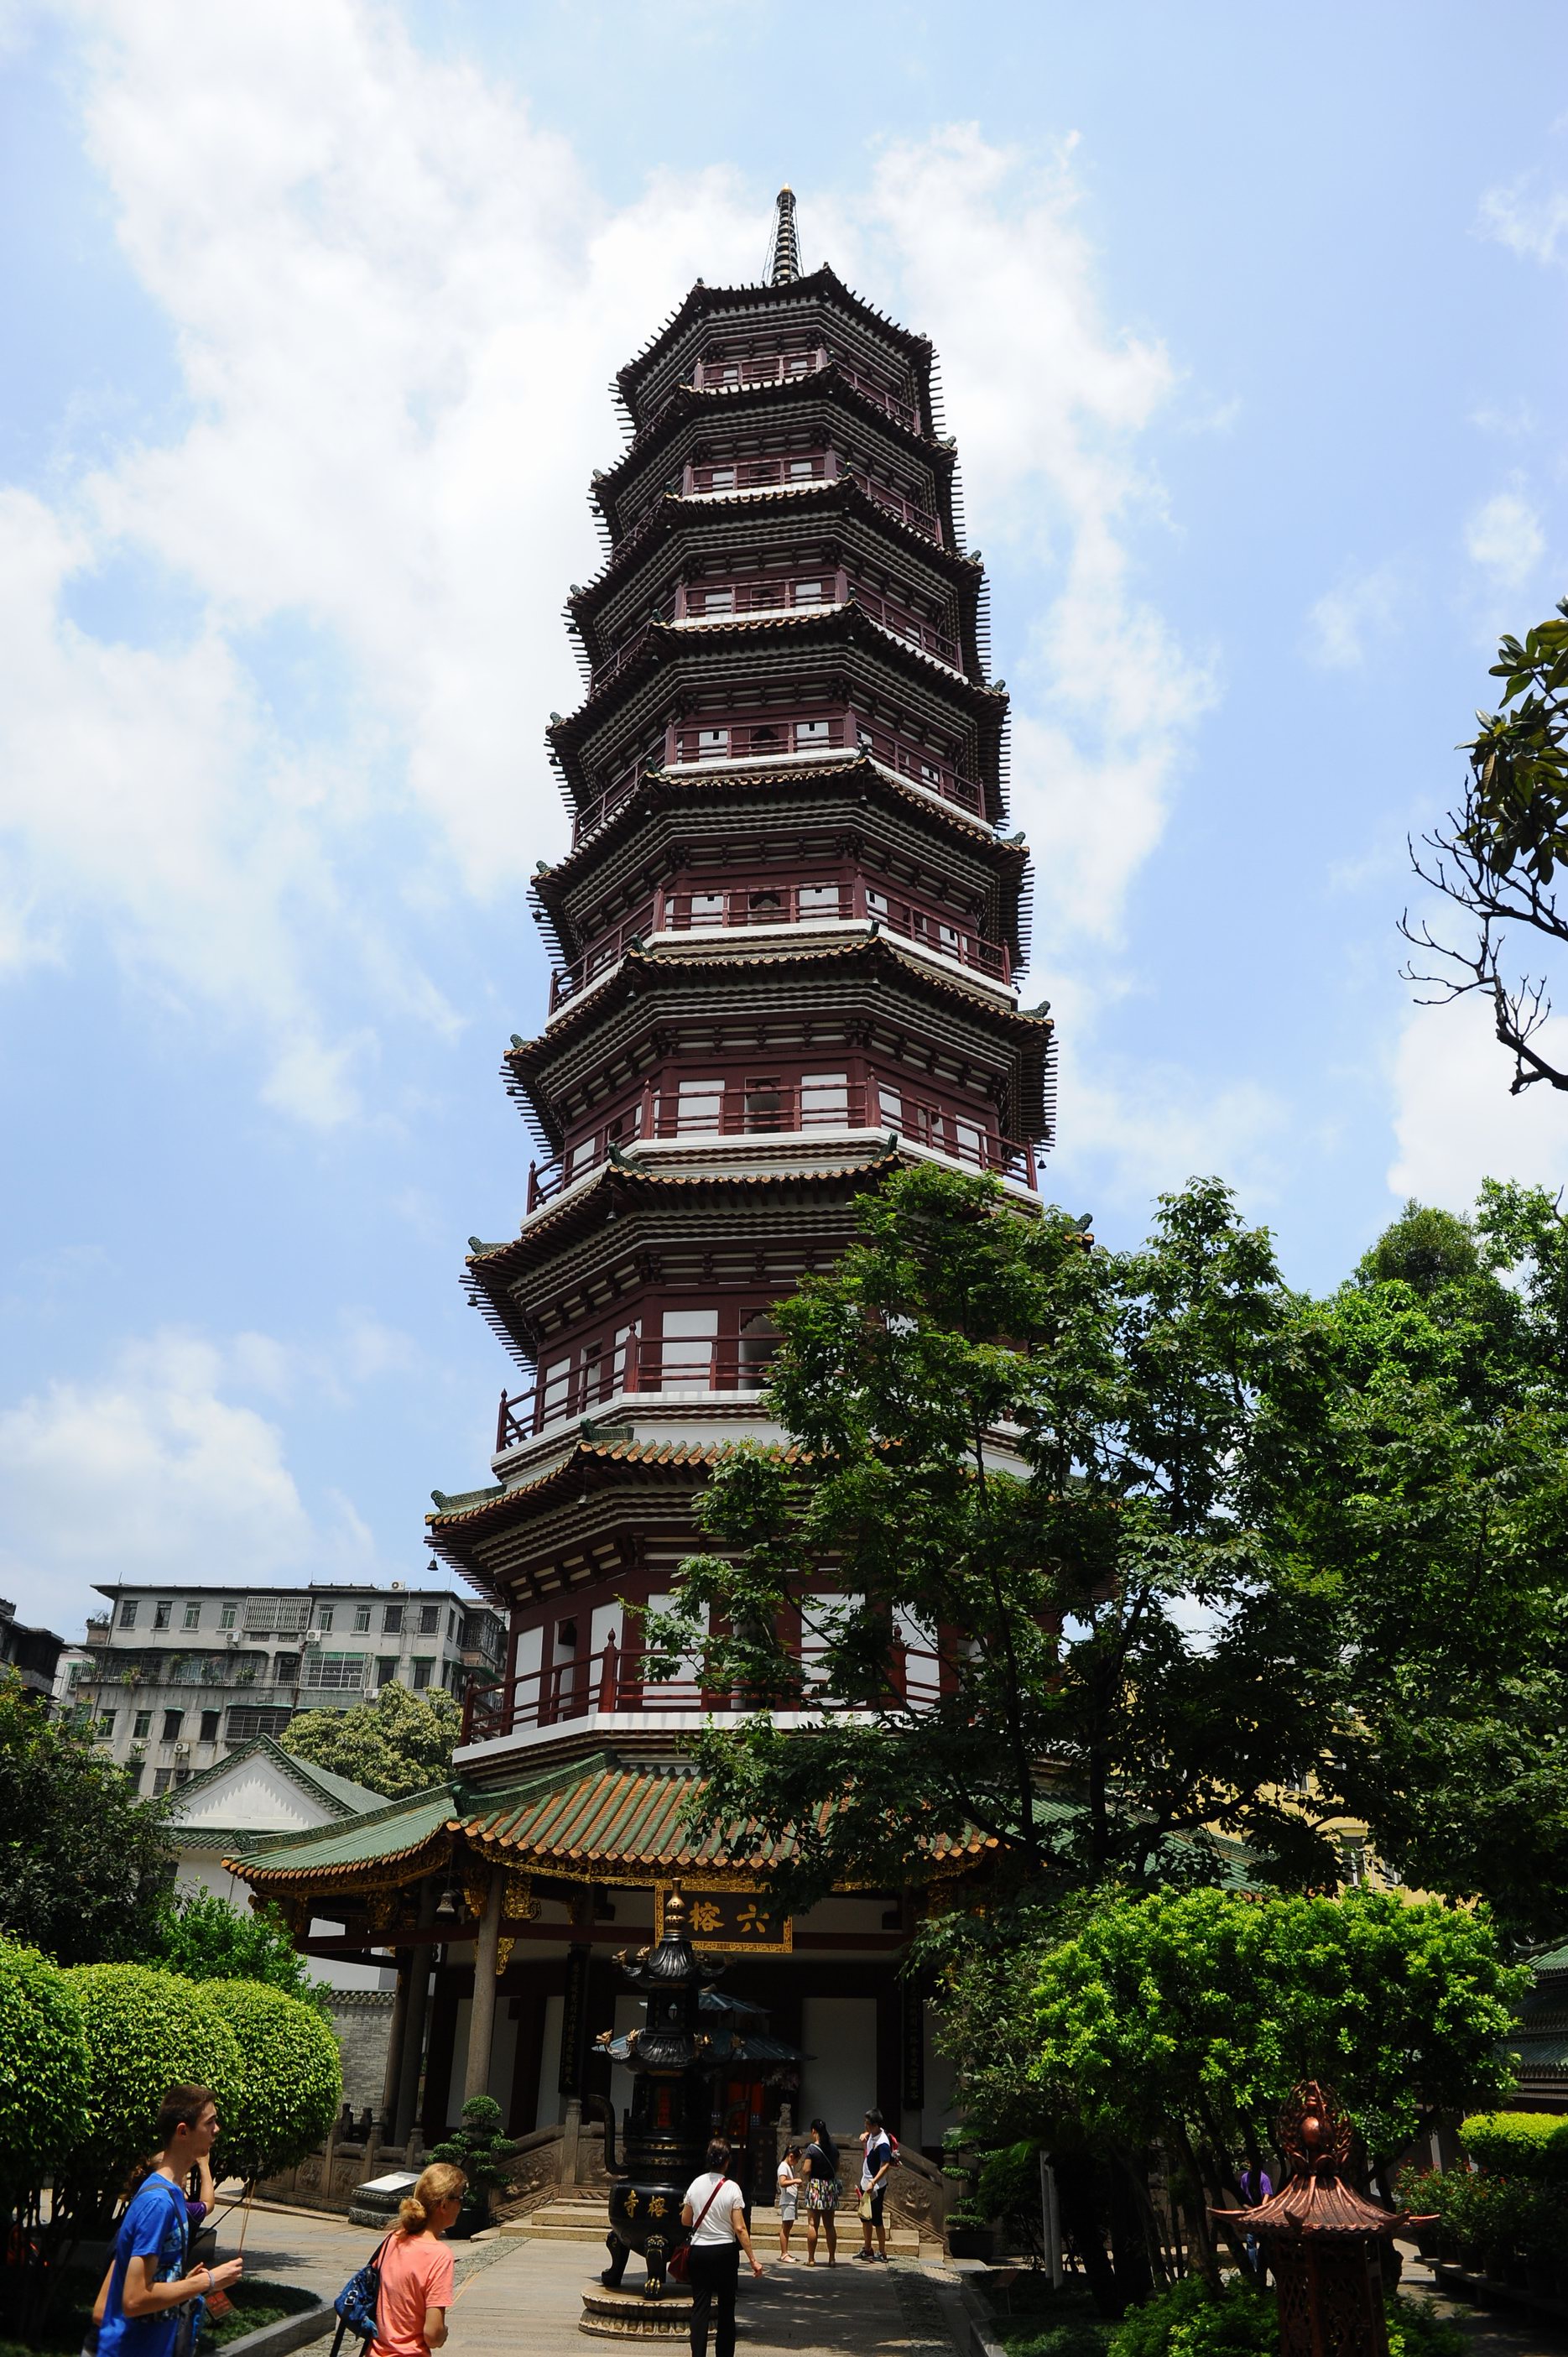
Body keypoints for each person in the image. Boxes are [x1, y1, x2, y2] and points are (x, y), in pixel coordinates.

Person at [96, 2086, 243, 2357]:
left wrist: (180, 2281)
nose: (217, 2129)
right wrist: (208, 2281)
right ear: (183, 2131)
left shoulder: (173, 2194)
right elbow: (134, 2298)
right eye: (209, 2122)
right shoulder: (158, 2203)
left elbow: (150, 2280)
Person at [369, 2161, 467, 2357]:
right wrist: (442, 2334)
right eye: (460, 2198)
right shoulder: (439, 2255)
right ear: (444, 2205)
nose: (462, 2206)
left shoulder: (393, 2239)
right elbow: (432, 2334)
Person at [681, 2138, 763, 2357]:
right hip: (724, 2252)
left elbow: (686, 2221)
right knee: (727, 2307)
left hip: (699, 2251)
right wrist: (753, 2259)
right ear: (727, 2161)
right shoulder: (732, 2188)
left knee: (700, 2307)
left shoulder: (695, 2184)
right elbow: (740, 2228)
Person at [856, 2109, 893, 2263]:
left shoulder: (883, 2142)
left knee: (877, 2219)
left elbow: (885, 2166)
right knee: (865, 2217)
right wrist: (865, 2134)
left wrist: (874, 2182)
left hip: (876, 2184)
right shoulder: (872, 2134)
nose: (865, 2126)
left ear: (875, 2125)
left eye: (868, 2124)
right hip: (866, 2181)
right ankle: (867, 2248)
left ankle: (882, 2251)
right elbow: (868, 2135)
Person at [801, 2119, 839, 2268]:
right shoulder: (833, 2148)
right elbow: (837, 2167)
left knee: (812, 2224)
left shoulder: (812, 2149)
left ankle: (811, 2258)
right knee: (830, 2225)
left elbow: (806, 2170)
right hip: (830, 2186)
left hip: (816, 2186)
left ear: (813, 2131)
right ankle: (832, 2258)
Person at [775, 2143, 803, 2261]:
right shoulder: (783, 2166)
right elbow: (782, 2182)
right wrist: (795, 2180)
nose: (797, 2163)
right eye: (797, 2160)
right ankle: (784, 2253)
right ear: (791, 2156)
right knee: (785, 2227)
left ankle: (786, 2252)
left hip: (791, 2199)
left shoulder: (789, 2167)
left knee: (788, 2226)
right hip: (787, 2201)